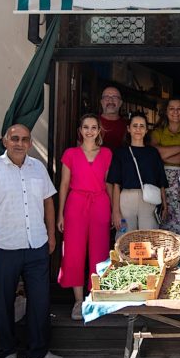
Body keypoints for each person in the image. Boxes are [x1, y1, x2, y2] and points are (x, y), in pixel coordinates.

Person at [0, 124, 63, 358]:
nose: (19, 143)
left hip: (36, 245)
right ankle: (7, 354)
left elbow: (48, 202)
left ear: (30, 143)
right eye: (14, 139)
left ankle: (37, 353)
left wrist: (51, 235)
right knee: (3, 303)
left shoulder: (38, 168)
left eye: (24, 139)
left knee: (40, 302)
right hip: (3, 247)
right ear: (5, 141)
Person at [56, 114, 113, 321]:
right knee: (73, 251)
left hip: (99, 203)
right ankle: (79, 301)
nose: (90, 131)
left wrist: (115, 210)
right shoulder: (70, 154)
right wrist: (60, 213)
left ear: (99, 131)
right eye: (86, 127)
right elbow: (63, 184)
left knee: (99, 250)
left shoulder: (106, 153)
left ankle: (94, 296)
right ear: (80, 130)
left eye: (94, 127)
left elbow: (109, 184)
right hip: (76, 203)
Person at [108, 112, 168, 231]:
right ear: (128, 129)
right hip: (126, 198)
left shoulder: (153, 153)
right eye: (135, 126)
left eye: (142, 126)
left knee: (148, 237)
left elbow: (161, 181)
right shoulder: (120, 153)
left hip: (149, 199)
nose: (138, 129)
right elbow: (116, 184)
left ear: (146, 130)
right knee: (125, 237)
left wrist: (165, 206)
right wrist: (115, 212)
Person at [150, 97, 180, 235]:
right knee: (165, 212)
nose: (175, 112)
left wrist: (164, 153)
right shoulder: (157, 131)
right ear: (165, 111)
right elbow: (154, 155)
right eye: (171, 108)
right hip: (162, 179)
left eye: (179, 108)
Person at [99, 85, 128, 153]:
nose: (111, 100)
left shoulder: (128, 127)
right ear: (101, 102)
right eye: (107, 97)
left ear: (120, 103)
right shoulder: (91, 123)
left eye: (115, 97)